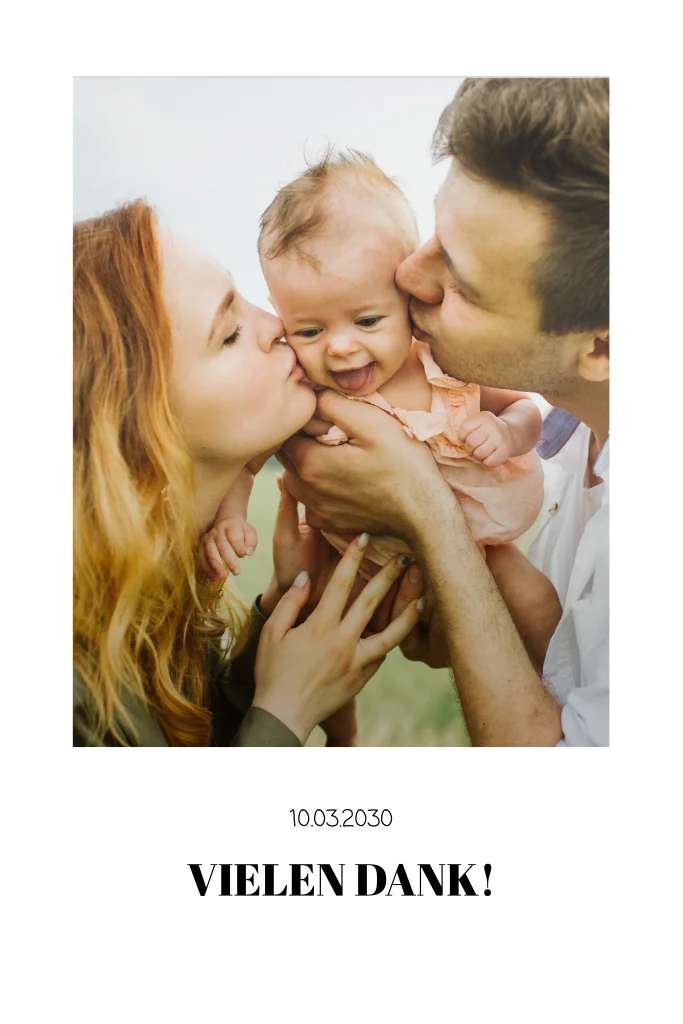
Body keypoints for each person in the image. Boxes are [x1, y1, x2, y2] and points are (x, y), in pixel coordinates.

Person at [278, 78, 609, 747]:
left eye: (461, 278)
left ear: (601, 347)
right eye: (433, 236)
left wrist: (429, 517)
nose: (406, 277)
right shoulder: (571, 439)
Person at [73, 200, 422, 747]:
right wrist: (284, 712)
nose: (277, 326)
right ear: (137, 423)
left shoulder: (144, 608)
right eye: (230, 333)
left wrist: (283, 613)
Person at [203, 150, 543, 585]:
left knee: (534, 601)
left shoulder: (439, 365)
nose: (340, 347)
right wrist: (230, 517)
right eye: (308, 331)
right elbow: (247, 464)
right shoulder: (303, 394)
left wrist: (506, 432)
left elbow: (522, 407)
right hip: (370, 565)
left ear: (408, 297)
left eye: (367, 321)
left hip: (484, 553)